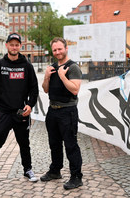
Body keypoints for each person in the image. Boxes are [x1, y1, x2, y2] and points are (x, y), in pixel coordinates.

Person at [0, 33, 39, 186]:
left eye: (17, 45)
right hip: (3, 111)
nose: (14, 47)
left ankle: (28, 169)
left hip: (20, 111)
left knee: (24, 143)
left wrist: (30, 104)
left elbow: (34, 89)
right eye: (11, 44)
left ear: (20, 46)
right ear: (7, 45)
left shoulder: (27, 66)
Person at [41, 37, 83, 190]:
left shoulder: (73, 68)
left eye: (60, 49)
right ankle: (55, 171)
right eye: (55, 50)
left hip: (68, 111)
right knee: (54, 144)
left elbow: (75, 89)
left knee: (71, 145)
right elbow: (45, 89)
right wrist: (47, 76)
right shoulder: (51, 67)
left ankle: (76, 177)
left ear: (66, 48)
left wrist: (62, 76)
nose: (57, 52)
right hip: (52, 111)